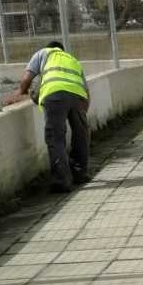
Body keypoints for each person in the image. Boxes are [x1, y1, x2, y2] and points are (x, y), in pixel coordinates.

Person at [18, 41, 90, 193]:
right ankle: (79, 173)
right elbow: (87, 92)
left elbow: (26, 79)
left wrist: (22, 93)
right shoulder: (72, 60)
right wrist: (83, 114)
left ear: (48, 48)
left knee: (55, 138)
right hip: (78, 96)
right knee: (81, 134)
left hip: (54, 95)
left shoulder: (43, 53)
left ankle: (61, 181)